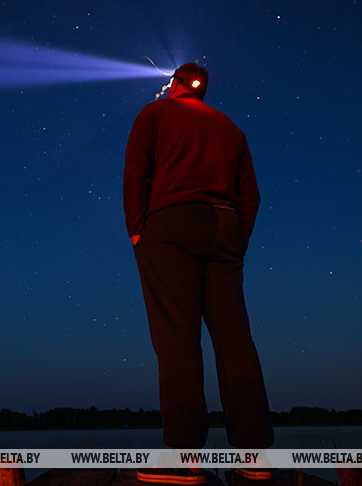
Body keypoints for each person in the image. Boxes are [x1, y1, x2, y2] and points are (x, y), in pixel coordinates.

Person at [124, 62, 275, 485]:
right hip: (225, 227)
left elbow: (136, 172)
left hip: (169, 225)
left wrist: (137, 229)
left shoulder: (153, 113)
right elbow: (252, 196)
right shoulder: (232, 129)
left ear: (172, 86)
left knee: (177, 336)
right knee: (235, 337)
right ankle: (254, 455)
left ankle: (185, 455)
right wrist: (237, 241)